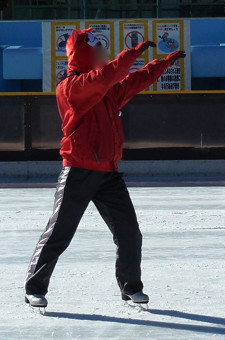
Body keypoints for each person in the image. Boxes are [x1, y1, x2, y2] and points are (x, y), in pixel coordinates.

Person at [24, 27, 186, 308]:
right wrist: (131, 53)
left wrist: (162, 63)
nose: (105, 55)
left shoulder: (107, 90)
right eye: (100, 50)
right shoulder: (72, 88)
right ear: (87, 54)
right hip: (78, 171)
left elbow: (134, 81)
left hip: (108, 173)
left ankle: (131, 287)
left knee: (129, 232)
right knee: (59, 233)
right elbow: (107, 75)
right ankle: (34, 287)